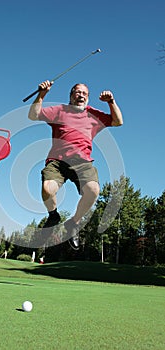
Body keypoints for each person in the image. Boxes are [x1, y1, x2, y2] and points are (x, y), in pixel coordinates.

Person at [28, 80, 123, 249]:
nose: (81, 96)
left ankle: (73, 224)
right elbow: (33, 115)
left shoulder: (93, 114)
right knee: (47, 188)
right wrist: (41, 95)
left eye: (85, 93)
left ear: (88, 98)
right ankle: (53, 216)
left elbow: (118, 122)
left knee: (93, 190)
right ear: (71, 96)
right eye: (78, 92)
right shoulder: (59, 111)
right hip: (57, 161)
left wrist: (111, 102)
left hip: (82, 161)